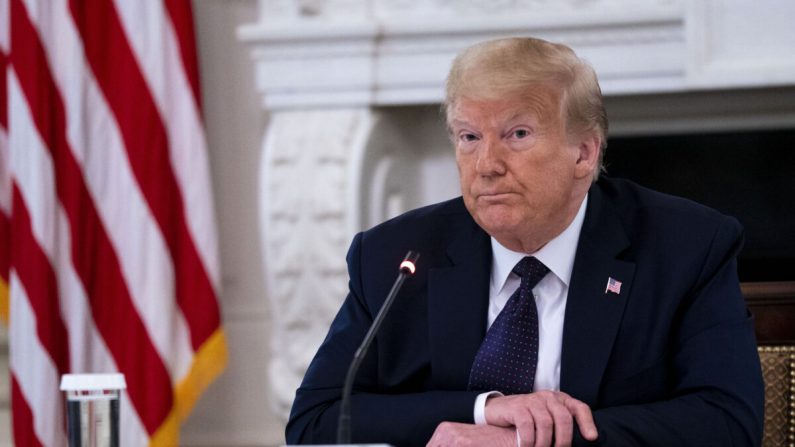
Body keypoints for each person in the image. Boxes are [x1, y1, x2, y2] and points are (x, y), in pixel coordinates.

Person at [285, 37, 764, 446]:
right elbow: (317, 419)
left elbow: (727, 421)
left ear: (584, 152)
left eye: (516, 134)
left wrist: (526, 439)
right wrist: (483, 411)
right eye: (469, 136)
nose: (486, 164)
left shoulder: (685, 246)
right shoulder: (395, 255)